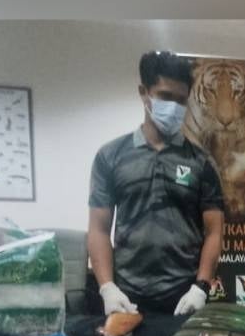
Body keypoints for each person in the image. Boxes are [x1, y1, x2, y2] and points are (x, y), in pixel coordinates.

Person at [87, 51, 225, 316]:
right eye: (165, 96)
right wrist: (107, 287)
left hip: (184, 299)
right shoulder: (111, 156)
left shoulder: (201, 161)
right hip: (127, 299)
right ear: (144, 93)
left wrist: (201, 287)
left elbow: (214, 232)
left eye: (181, 100)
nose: (174, 107)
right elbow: (99, 229)